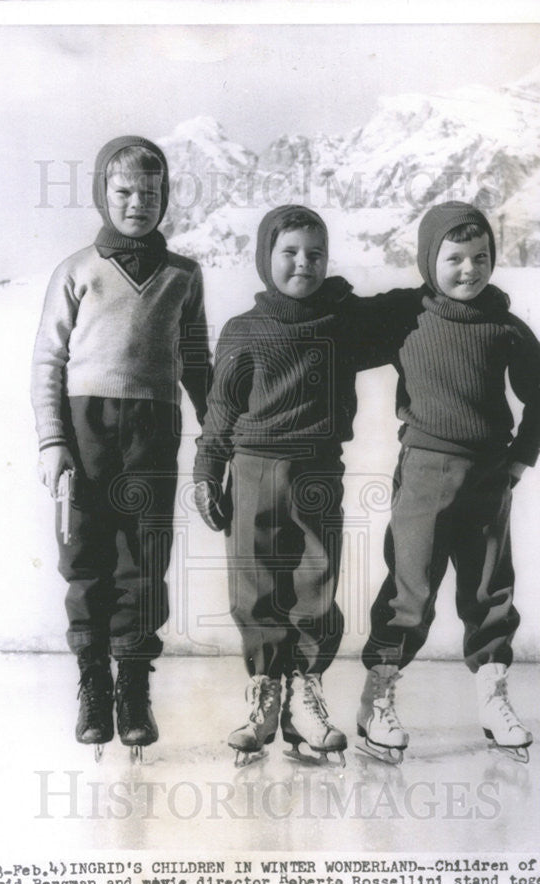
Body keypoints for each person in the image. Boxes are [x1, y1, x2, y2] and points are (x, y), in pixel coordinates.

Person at [193, 205, 414, 765]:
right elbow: (220, 411)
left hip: (317, 469)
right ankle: (266, 695)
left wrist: (448, 283)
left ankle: (306, 696)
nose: (304, 263)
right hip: (251, 471)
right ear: (266, 258)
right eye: (289, 252)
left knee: (316, 580)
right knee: (256, 585)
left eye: (316, 254)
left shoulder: (341, 321)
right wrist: (205, 474)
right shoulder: (244, 331)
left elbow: (403, 311)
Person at [357, 201, 540, 763]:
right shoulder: (407, 315)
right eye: (455, 259)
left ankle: (494, 700)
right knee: (410, 589)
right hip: (424, 471)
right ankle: (378, 699)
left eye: (480, 257)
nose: (469, 269)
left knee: (489, 591)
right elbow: (341, 333)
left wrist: (521, 459)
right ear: (429, 260)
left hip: (490, 477)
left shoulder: (505, 326)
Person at [31, 135, 210, 756]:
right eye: (124, 191)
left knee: (144, 553)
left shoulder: (184, 275)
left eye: (150, 192)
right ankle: (93, 681)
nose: (138, 202)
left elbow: (196, 359)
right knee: (85, 554)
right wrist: (53, 441)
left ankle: (133, 683)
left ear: (166, 198)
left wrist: (215, 427)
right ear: (102, 195)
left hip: (154, 431)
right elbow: (48, 360)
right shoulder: (77, 270)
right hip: (85, 432)